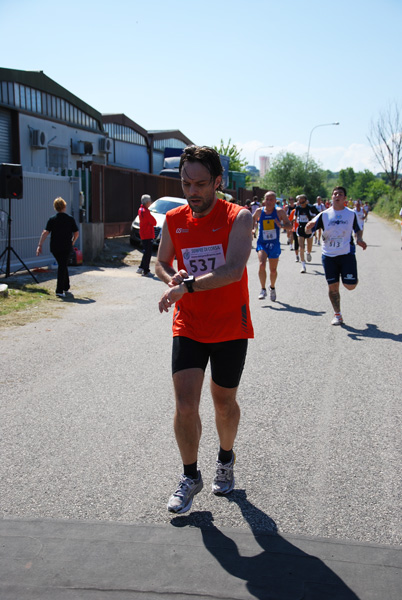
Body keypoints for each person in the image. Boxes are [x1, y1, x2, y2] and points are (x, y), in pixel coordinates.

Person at [155, 145, 254, 514]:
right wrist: (172, 279)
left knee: (224, 404)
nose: (192, 191)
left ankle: (225, 459)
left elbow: (232, 270)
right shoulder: (174, 219)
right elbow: (162, 263)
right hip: (190, 324)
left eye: (199, 183)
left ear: (217, 181)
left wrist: (187, 285)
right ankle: (189, 476)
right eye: (185, 183)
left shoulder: (238, 217)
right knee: (184, 406)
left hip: (230, 325)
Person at [305, 186, 367, 325]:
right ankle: (337, 314)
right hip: (329, 255)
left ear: (344, 198)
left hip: (346, 254)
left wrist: (360, 239)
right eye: (334, 194)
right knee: (333, 287)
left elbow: (358, 229)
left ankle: (352, 278)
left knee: (350, 286)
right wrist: (308, 228)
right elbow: (309, 230)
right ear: (332, 197)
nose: (337, 195)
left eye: (340, 194)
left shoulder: (351, 214)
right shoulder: (324, 215)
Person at [252, 191, 292, 301]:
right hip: (262, 243)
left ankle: (272, 287)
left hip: (274, 243)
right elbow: (253, 219)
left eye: (271, 199)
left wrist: (281, 225)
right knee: (262, 265)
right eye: (267, 199)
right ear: (264, 201)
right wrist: (253, 228)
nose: (269, 202)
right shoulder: (259, 211)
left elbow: (289, 226)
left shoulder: (280, 212)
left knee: (273, 270)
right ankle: (263, 289)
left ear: (275, 201)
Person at [36, 197, 79, 298]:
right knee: (62, 266)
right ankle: (59, 290)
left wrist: (39, 245)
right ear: (64, 206)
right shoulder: (70, 219)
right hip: (66, 246)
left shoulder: (52, 219)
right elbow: (76, 233)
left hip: (55, 247)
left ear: (55, 207)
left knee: (62, 264)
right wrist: (72, 242)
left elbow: (45, 232)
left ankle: (66, 286)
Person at [295, 194, 317, 273]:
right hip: (300, 228)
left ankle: (308, 253)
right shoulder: (297, 208)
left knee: (309, 246)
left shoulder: (311, 208)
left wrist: (312, 222)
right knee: (301, 248)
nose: (301, 202)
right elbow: (296, 216)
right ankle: (303, 266)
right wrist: (294, 222)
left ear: (306, 201)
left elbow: (318, 215)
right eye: (299, 201)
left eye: (302, 201)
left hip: (309, 229)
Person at [137, 194, 157, 276]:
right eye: (150, 201)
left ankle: (141, 267)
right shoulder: (146, 211)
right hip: (148, 234)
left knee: (146, 251)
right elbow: (154, 222)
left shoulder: (140, 210)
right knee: (148, 253)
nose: (150, 203)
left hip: (143, 233)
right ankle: (146, 270)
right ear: (147, 202)